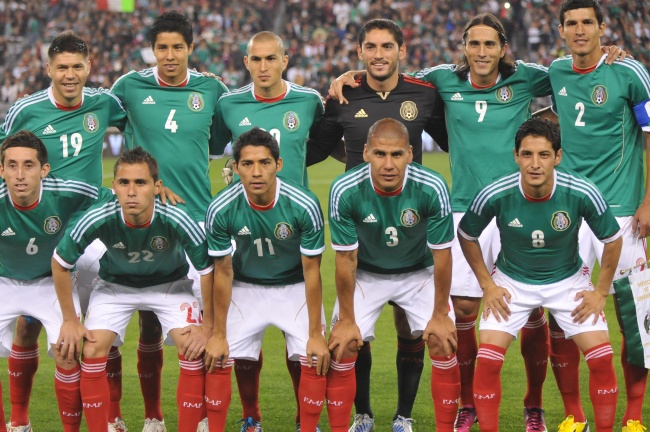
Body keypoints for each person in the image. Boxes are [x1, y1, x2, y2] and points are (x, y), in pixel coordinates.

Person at [328, 14, 626, 431]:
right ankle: (467, 404)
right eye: (474, 44)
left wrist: (602, 53)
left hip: (519, 206)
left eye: (490, 44)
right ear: (464, 48)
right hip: (466, 210)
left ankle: (534, 405)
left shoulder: (527, 77)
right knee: (464, 309)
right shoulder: (442, 79)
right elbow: (392, 77)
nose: (482, 52)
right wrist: (353, 76)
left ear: (503, 48)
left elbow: (572, 73)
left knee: (535, 311)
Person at [308, 18, 449, 432]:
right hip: (362, 230)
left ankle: (403, 416)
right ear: (359, 52)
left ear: (402, 51)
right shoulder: (343, 95)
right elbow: (314, 148)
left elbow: (454, 137)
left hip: (411, 231)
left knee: (413, 330)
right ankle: (363, 415)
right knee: (351, 336)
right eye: (370, 47)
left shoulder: (424, 93)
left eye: (387, 46)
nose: (379, 54)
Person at [458, 117, 622, 432]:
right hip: (511, 283)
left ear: (557, 157)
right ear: (516, 156)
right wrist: (487, 285)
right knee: (488, 362)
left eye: (544, 154)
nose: (535, 164)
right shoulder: (495, 192)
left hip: (568, 282)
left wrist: (601, 291)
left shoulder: (581, 190)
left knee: (602, 358)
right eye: (527, 154)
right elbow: (466, 234)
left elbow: (613, 239)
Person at [0, 31, 128, 432]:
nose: (69, 75)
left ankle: (112, 416)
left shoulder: (105, 103)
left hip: (93, 232)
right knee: (28, 324)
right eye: (61, 68)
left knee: (100, 330)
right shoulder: (25, 110)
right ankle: (19, 420)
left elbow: (141, 129)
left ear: (89, 67)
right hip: (41, 229)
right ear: (48, 69)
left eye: (76, 67)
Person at [110, 10, 228, 430]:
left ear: (191, 48)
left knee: (205, 326)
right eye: (162, 47)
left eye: (178, 47)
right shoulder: (128, 87)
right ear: (153, 50)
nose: (170, 55)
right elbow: (98, 121)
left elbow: (221, 142)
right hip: (144, 221)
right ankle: (153, 416)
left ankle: (204, 417)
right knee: (147, 322)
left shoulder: (212, 89)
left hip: (197, 220)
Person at [203, 127, 356, 432]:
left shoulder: (303, 203)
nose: (256, 172)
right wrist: (218, 333)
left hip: (294, 285)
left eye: (264, 162)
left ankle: (307, 425)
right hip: (245, 285)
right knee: (218, 356)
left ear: (278, 164)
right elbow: (223, 271)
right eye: (247, 164)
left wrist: (315, 333)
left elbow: (312, 271)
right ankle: (251, 417)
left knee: (314, 356)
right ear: (236, 167)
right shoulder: (220, 207)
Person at [52, 147, 214, 432]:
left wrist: (208, 326)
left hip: (170, 285)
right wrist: (69, 320)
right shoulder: (99, 215)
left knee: (192, 347)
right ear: (113, 186)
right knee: (92, 350)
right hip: (115, 286)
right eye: (124, 182)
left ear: (157, 187)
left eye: (141, 182)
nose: (131, 191)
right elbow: (60, 262)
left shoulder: (177, 215)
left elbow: (208, 270)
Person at [211, 30, 325, 431]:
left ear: (285, 60)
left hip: (294, 224)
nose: (263, 67)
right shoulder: (228, 104)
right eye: (255, 59)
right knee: (243, 348)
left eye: (271, 58)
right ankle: (251, 415)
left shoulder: (309, 101)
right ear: (246, 62)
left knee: (302, 350)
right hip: (246, 224)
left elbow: (325, 141)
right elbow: (212, 147)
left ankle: (303, 418)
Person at [547, 1, 650, 430]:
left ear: (602, 28)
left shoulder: (629, 73)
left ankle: (632, 417)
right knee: (562, 317)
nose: (579, 29)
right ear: (561, 31)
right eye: (571, 23)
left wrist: (649, 201)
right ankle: (574, 416)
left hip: (623, 212)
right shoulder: (555, 71)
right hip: (570, 214)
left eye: (587, 22)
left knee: (634, 320)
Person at [327, 118, 459, 431]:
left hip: (418, 272)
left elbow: (442, 255)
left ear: (410, 154)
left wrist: (440, 314)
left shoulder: (432, 186)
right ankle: (362, 417)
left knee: (443, 340)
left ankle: (405, 418)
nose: (388, 164)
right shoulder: (344, 189)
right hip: (366, 273)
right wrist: (346, 320)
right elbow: (345, 258)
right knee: (342, 344)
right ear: (366, 153)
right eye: (380, 154)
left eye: (397, 154)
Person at [0, 130, 112, 432]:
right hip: (4, 281)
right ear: (1, 170)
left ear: (44, 169)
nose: (20, 175)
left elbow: (112, 197)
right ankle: (16, 424)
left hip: (52, 280)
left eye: (28, 165)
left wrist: (159, 195)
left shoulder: (68, 191)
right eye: (12, 165)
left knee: (67, 350)